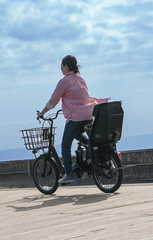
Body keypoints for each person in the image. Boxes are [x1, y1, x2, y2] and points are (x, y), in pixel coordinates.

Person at [37, 55, 110, 184]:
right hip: (88, 115)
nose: (60, 68)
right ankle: (89, 148)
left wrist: (42, 113)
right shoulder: (81, 79)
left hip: (75, 118)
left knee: (65, 146)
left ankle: (69, 174)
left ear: (66, 66)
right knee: (80, 135)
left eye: (61, 66)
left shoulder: (64, 81)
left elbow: (53, 101)